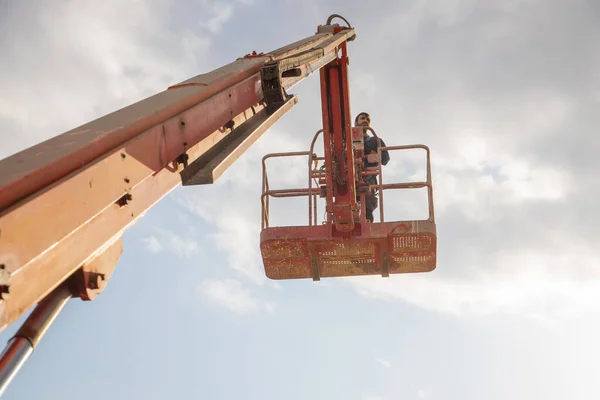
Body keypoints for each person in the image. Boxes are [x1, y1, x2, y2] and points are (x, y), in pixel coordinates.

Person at [354, 112, 390, 222]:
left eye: (368, 120)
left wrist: (371, 156)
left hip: (368, 181)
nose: (365, 121)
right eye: (362, 118)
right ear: (356, 122)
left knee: (367, 210)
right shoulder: (347, 141)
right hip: (349, 182)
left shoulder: (375, 141)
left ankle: (367, 221)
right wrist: (371, 154)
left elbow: (385, 159)